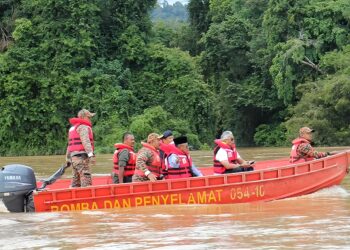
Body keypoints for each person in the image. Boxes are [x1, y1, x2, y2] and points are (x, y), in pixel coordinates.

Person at [66, 109, 96, 187]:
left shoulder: (73, 128)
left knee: (75, 182)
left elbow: (69, 145)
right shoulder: (83, 127)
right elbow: (86, 141)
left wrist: (68, 159)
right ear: (83, 117)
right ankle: (87, 197)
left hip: (74, 159)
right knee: (86, 180)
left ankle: (72, 197)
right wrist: (91, 155)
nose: (90, 119)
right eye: (89, 117)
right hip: (81, 158)